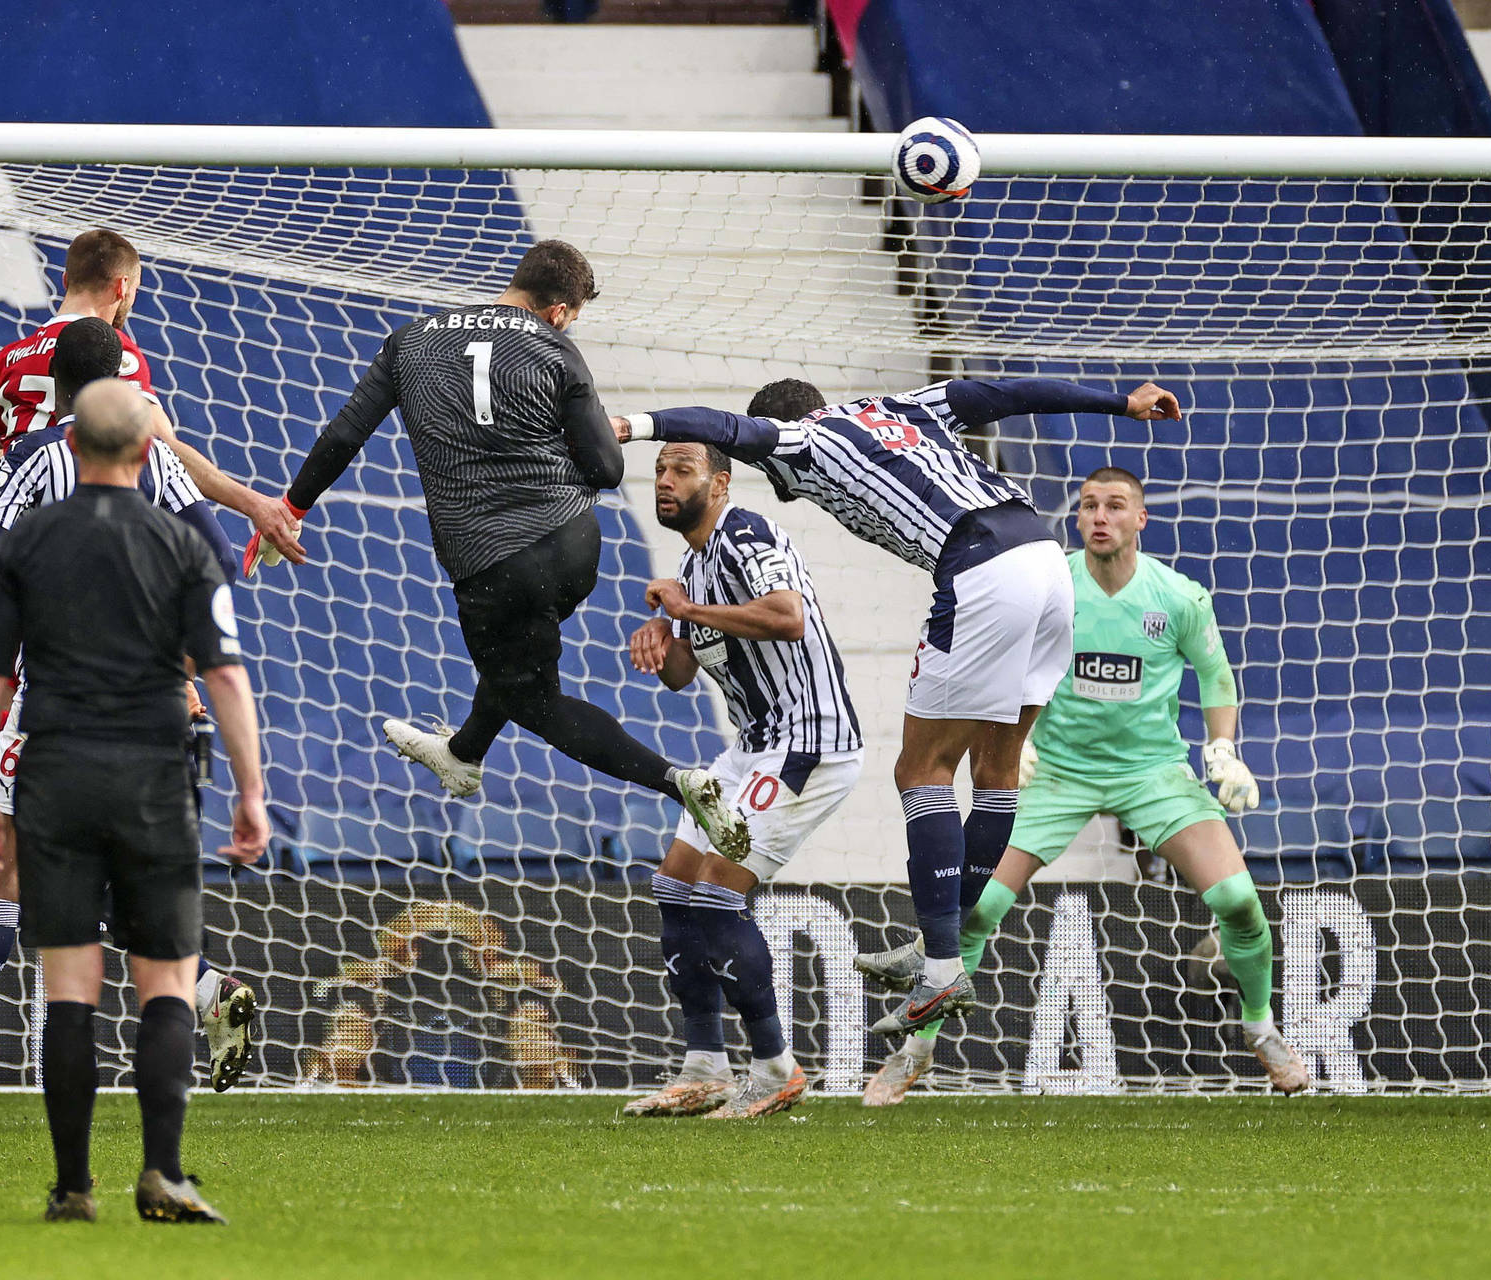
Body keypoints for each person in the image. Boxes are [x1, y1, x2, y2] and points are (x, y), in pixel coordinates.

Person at [613, 374, 1180, 1035]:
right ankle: (943, 945)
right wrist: (1119, 401)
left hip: (979, 567)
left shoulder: (803, 440)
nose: (785, 487)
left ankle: (940, 968)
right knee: (996, 769)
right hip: (1049, 558)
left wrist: (632, 426)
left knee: (920, 770)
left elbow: (725, 428)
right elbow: (1001, 392)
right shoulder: (903, 407)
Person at [0, 321, 256, 1121]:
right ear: (126, 382)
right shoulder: (159, 458)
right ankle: (201, 1001)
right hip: (153, 714)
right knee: (106, 886)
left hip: (57, 704)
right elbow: (220, 563)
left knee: (2, 886)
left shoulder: (33, 457)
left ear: (52, 388)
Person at [255, 239, 747, 859]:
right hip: (573, 544)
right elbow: (606, 469)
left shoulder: (410, 341)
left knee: (533, 697)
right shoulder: (556, 348)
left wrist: (293, 508)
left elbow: (346, 433)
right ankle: (463, 754)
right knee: (518, 661)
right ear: (560, 311)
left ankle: (679, 783)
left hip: (491, 558)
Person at [855, 467, 1308, 1104]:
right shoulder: (1053, 586)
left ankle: (1260, 1028)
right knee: (973, 911)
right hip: (1057, 774)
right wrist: (1019, 742)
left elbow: (1216, 676)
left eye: (1116, 506)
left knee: (1237, 901)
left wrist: (1223, 749)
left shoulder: (1179, 598)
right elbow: (1000, 663)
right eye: (1090, 505)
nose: (1100, 516)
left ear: (1140, 519)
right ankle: (916, 1051)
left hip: (1151, 772)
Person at [0, 377, 266, 1223]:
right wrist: (251, 788)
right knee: (164, 981)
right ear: (145, 449)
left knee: (70, 985)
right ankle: (162, 1173)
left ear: (69, 442)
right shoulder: (183, 544)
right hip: (154, 778)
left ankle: (71, 1188)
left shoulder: (22, 544)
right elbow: (224, 675)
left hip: (55, 772)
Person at [620, 442, 863, 1120]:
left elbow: (788, 616)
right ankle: (704, 1066)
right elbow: (681, 675)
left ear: (720, 484)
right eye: (659, 470)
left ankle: (776, 1067)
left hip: (808, 741)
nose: (665, 481)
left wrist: (687, 611)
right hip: (749, 749)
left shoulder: (747, 534)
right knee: (674, 887)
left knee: (717, 892)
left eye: (682, 470)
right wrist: (662, 638)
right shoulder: (691, 564)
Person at [0, 227, 301, 630]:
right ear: (123, 286)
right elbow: (166, 452)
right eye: (135, 290)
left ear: (65, 280)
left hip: (17, 567)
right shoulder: (118, 355)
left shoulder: (10, 359)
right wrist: (255, 505)